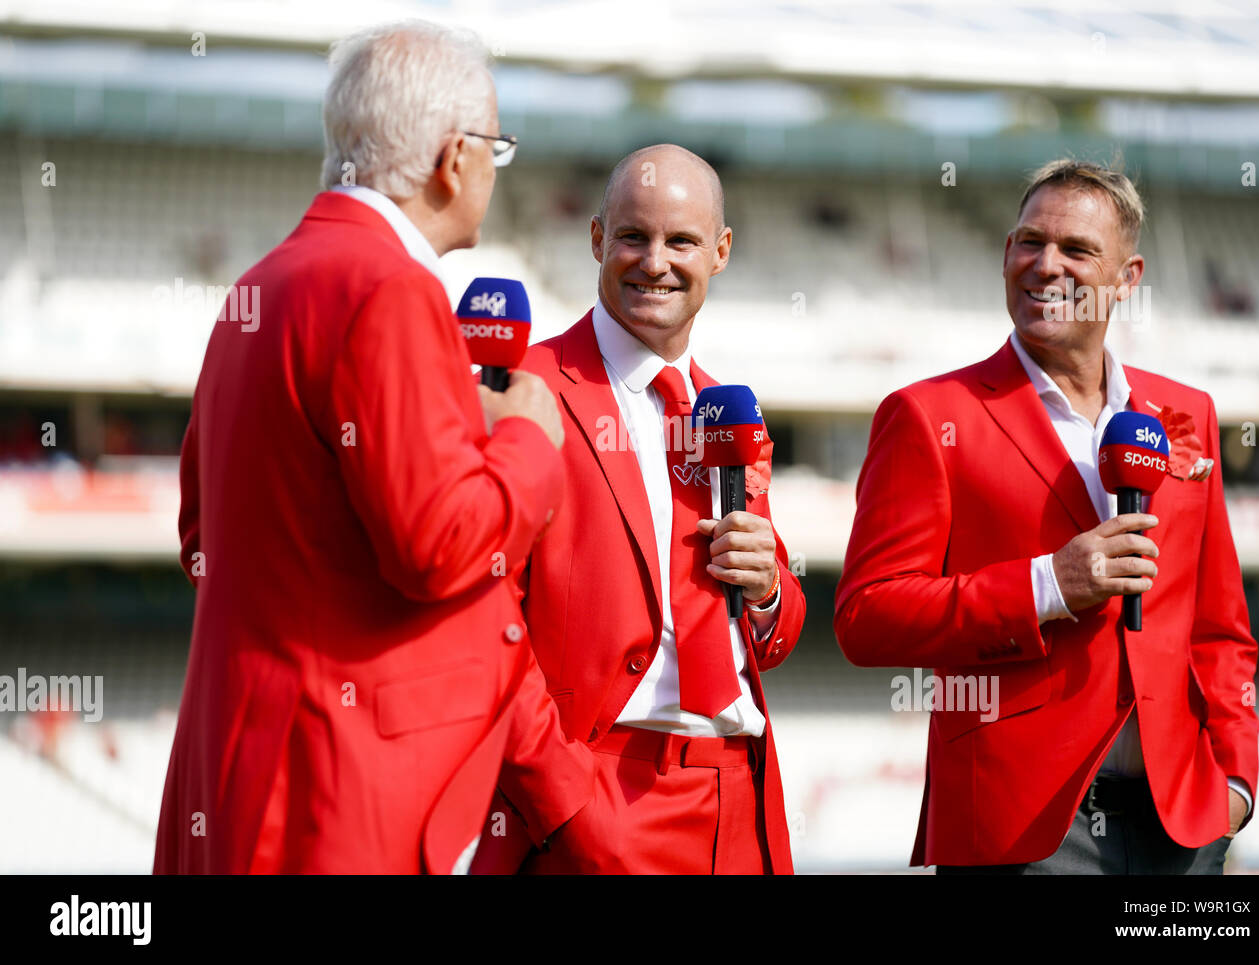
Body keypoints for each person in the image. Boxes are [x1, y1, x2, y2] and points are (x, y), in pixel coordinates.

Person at [154, 20, 574, 874]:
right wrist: (531, 437)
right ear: (454, 158)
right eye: (498, 147)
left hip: (233, 774)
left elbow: (201, 537)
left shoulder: (262, 282)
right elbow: (438, 544)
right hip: (332, 791)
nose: (496, 168)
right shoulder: (389, 287)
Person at [834, 159, 1259, 873]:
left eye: (1077, 250)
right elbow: (866, 616)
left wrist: (1236, 783)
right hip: (1022, 826)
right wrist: (1048, 585)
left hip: (1183, 822)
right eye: (1030, 242)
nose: (1045, 264)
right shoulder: (929, 416)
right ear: (1006, 254)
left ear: (1127, 277)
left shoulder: (1189, 414)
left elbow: (1218, 625)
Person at [470, 144, 807, 874]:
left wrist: (770, 591)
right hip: (596, 796)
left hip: (740, 797)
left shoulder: (732, 413)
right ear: (597, 239)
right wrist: (567, 803)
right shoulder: (524, 390)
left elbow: (773, 637)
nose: (656, 261)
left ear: (719, 252)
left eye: (681, 240)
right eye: (634, 236)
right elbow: (482, 622)